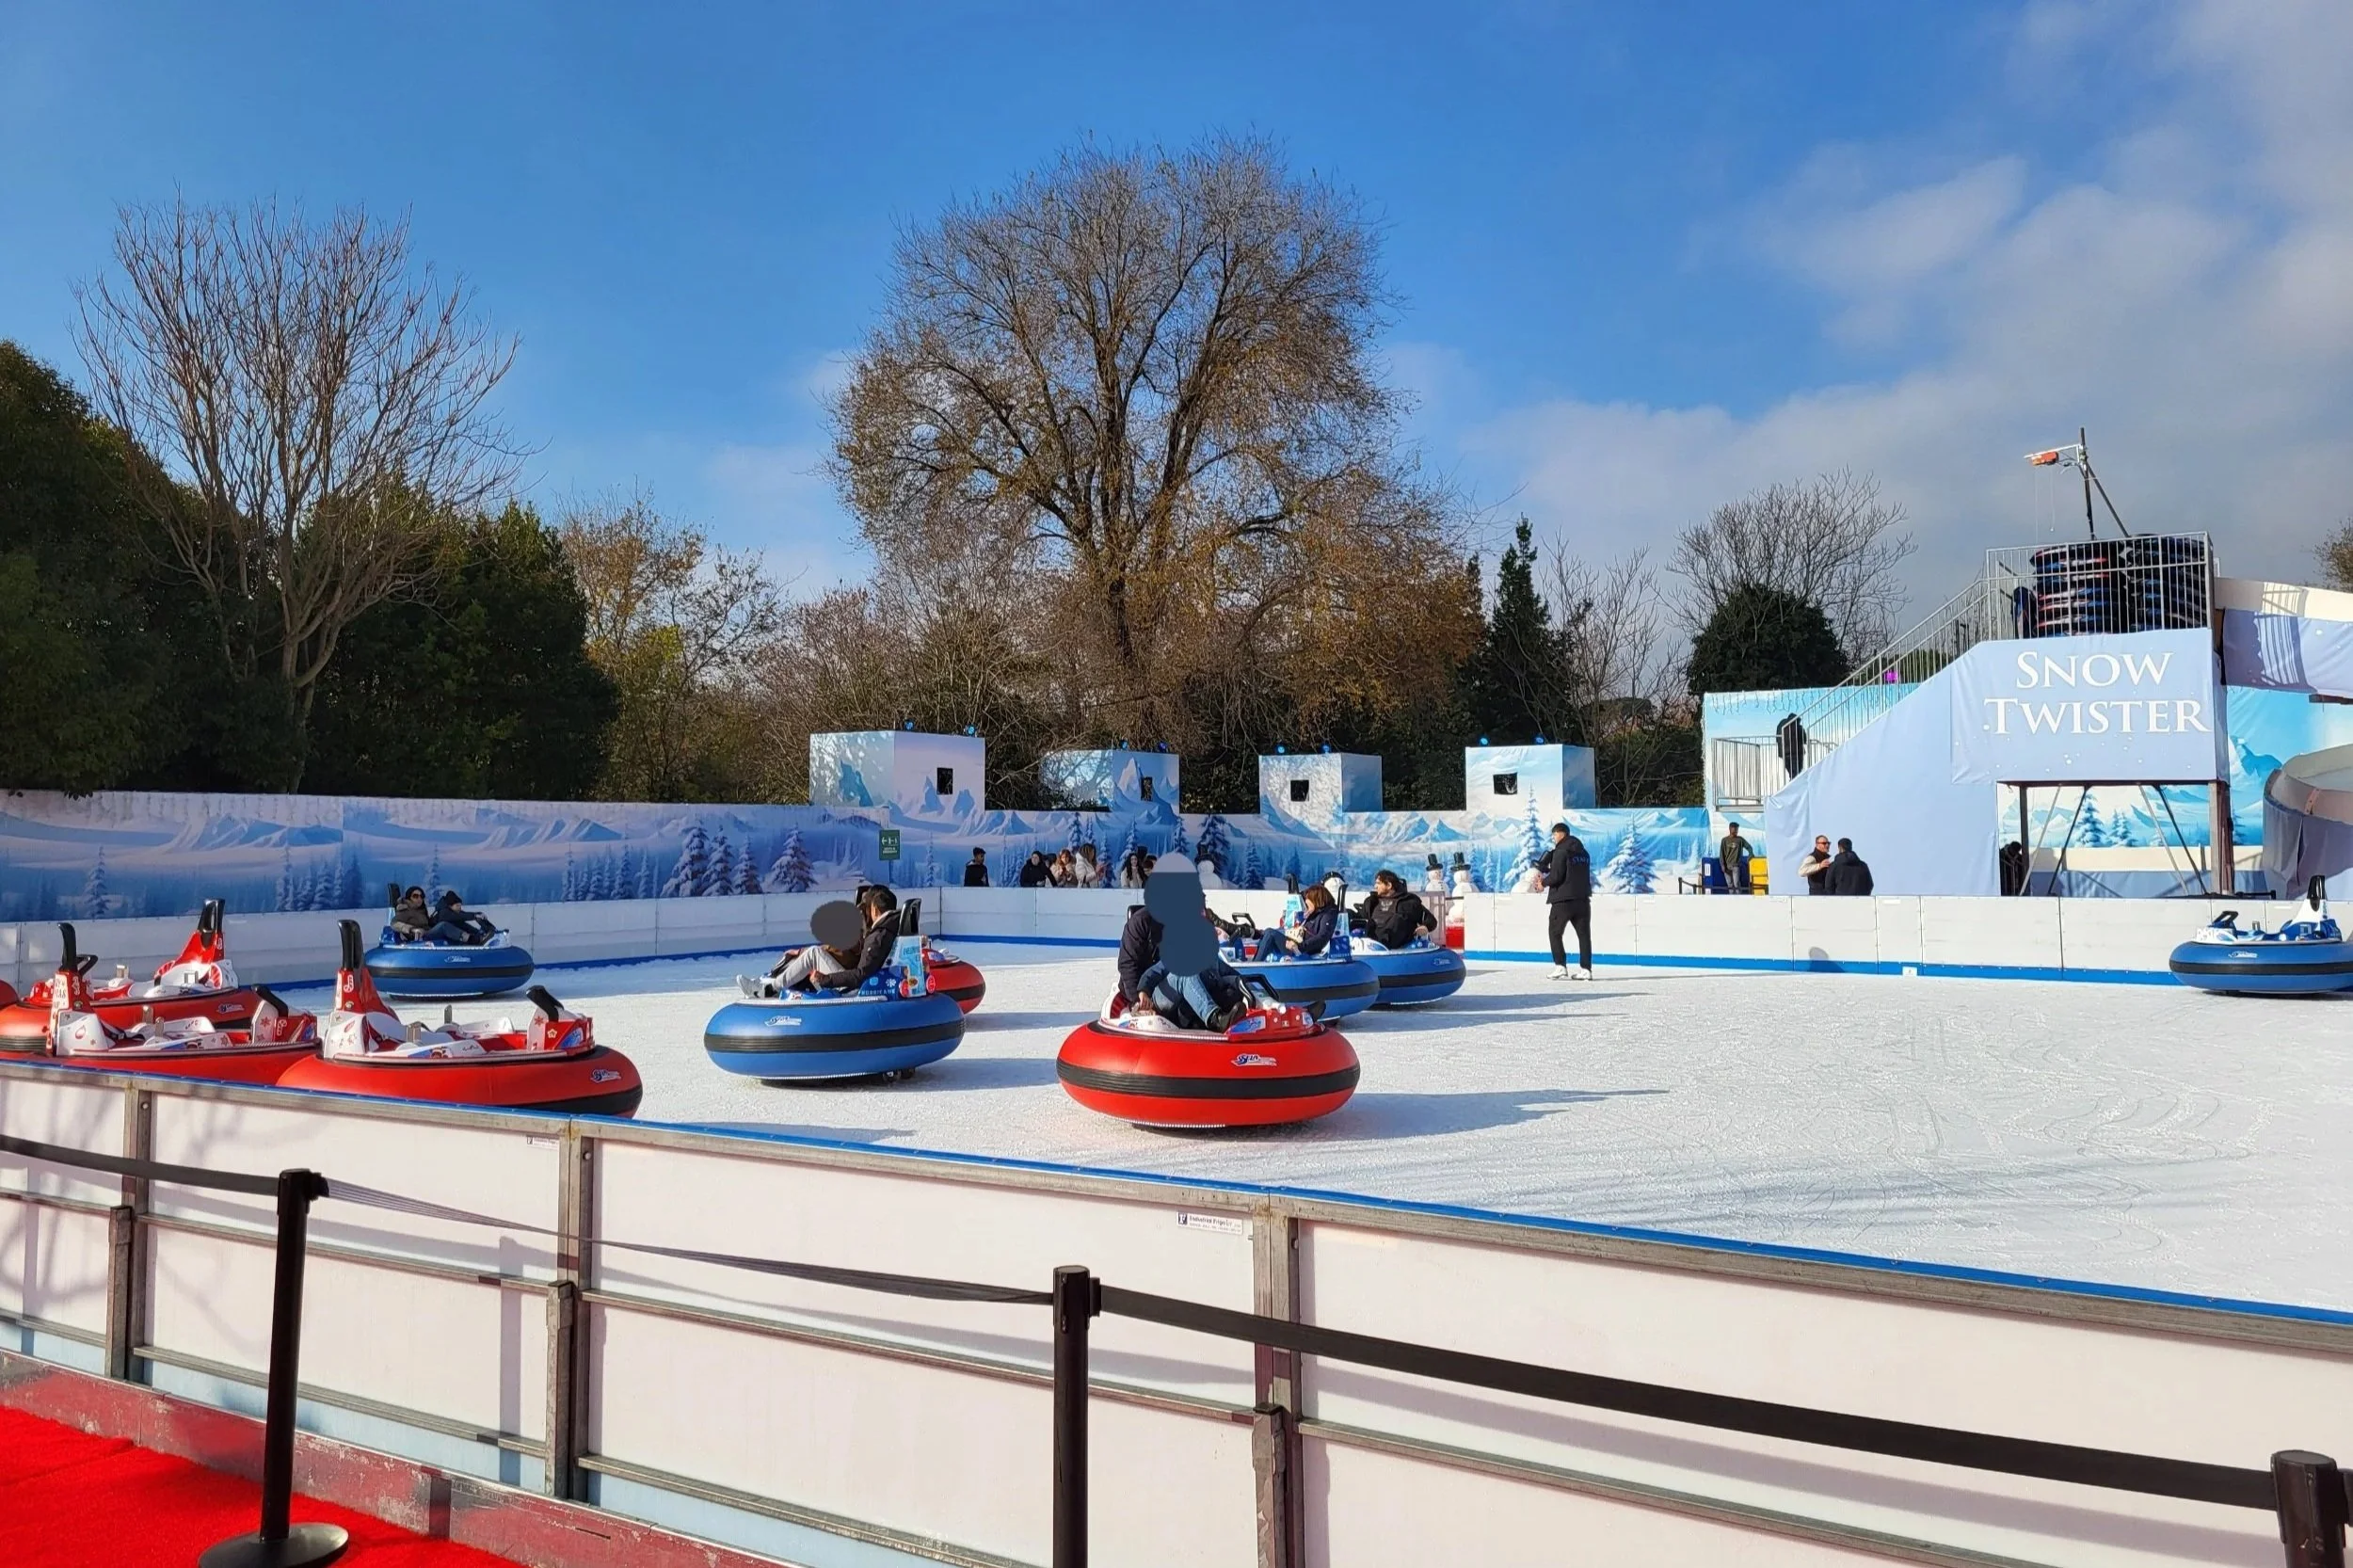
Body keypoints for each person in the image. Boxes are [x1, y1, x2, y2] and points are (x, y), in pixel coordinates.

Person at [1116, 883, 1246, 1031]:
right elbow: (1130, 966)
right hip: (1147, 994)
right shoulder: (1140, 922)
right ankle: (1215, 1019)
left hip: (1176, 988)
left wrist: (1240, 981)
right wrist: (1138, 1000)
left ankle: (1233, 1011)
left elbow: (1212, 962)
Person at [1541, 822, 1593, 981]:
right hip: (1582, 900)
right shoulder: (1584, 853)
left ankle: (1560, 966)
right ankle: (1586, 970)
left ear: (1561, 834)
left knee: (1554, 932)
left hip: (1563, 900)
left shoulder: (1561, 851)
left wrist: (1542, 883)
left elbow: (1556, 876)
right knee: (1584, 935)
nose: (1554, 838)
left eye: (1555, 834)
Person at [1354, 871, 1437, 949]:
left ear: (1389, 885)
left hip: (1395, 945)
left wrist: (1425, 927)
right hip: (1371, 944)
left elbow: (1431, 920)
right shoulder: (1372, 902)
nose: (1375, 886)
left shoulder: (1408, 903)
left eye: (1378, 883)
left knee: (1397, 919)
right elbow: (1361, 916)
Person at [1257, 883, 1339, 958]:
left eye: (1308, 899)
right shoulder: (1315, 912)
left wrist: (1299, 947)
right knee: (1266, 934)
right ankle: (1256, 962)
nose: (1306, 902)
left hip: (1303, 949)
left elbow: (1322, 937)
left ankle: (1256, 965)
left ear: (1316, 899)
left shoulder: (1328, 914)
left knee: (1270, 933)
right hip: (1296, 943)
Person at [430, 890, 494, 945]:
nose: (459, 908)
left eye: (460, 906)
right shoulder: (444, 912)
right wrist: (474, 915)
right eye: (457, 905)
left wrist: (478, 914)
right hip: (432, 935)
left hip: (447, 935)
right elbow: (460, 916)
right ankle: (473, 940)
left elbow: (463, 914)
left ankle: (481, 934)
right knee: (450, 924)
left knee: (460, 923)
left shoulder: (453, 912)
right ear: (450, 906)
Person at [1718, 822, 1753, 894]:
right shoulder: (1724, 840)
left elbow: (1749, 847)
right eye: (1734, 829)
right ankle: (1732, 898)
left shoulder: (1740, 840)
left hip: (1736, 866)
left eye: (1737, 829)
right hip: (1727, 866)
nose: (1736, 831)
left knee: (1736, 884)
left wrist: (1750, 854)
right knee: (1730, 884)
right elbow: (1721, 854)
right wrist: (1722, 865)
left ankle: (1739, 897)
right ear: (1730, 829)